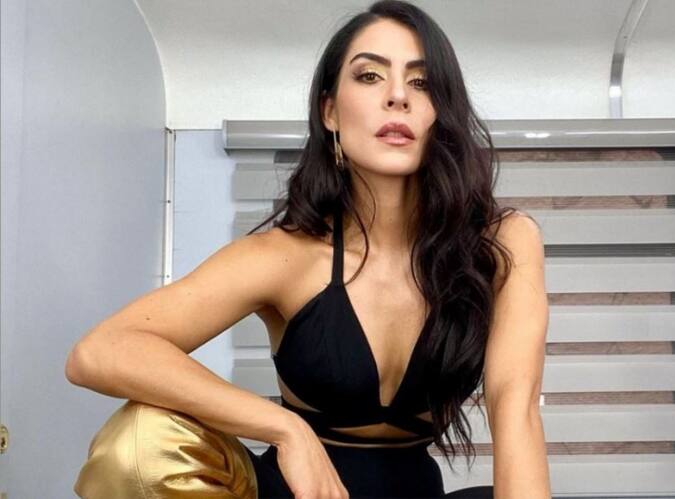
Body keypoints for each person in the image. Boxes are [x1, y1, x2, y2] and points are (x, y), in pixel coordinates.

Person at [66, 1, 551, 497]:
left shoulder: (501, 243)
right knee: (139, 441)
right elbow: (100, 351)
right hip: (293, 492)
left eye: (422, 82)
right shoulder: (286, 256)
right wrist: (284, 428)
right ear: (330, 111)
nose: (398, 96)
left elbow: (516, 411)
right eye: (370, 76)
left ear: (441, 113)